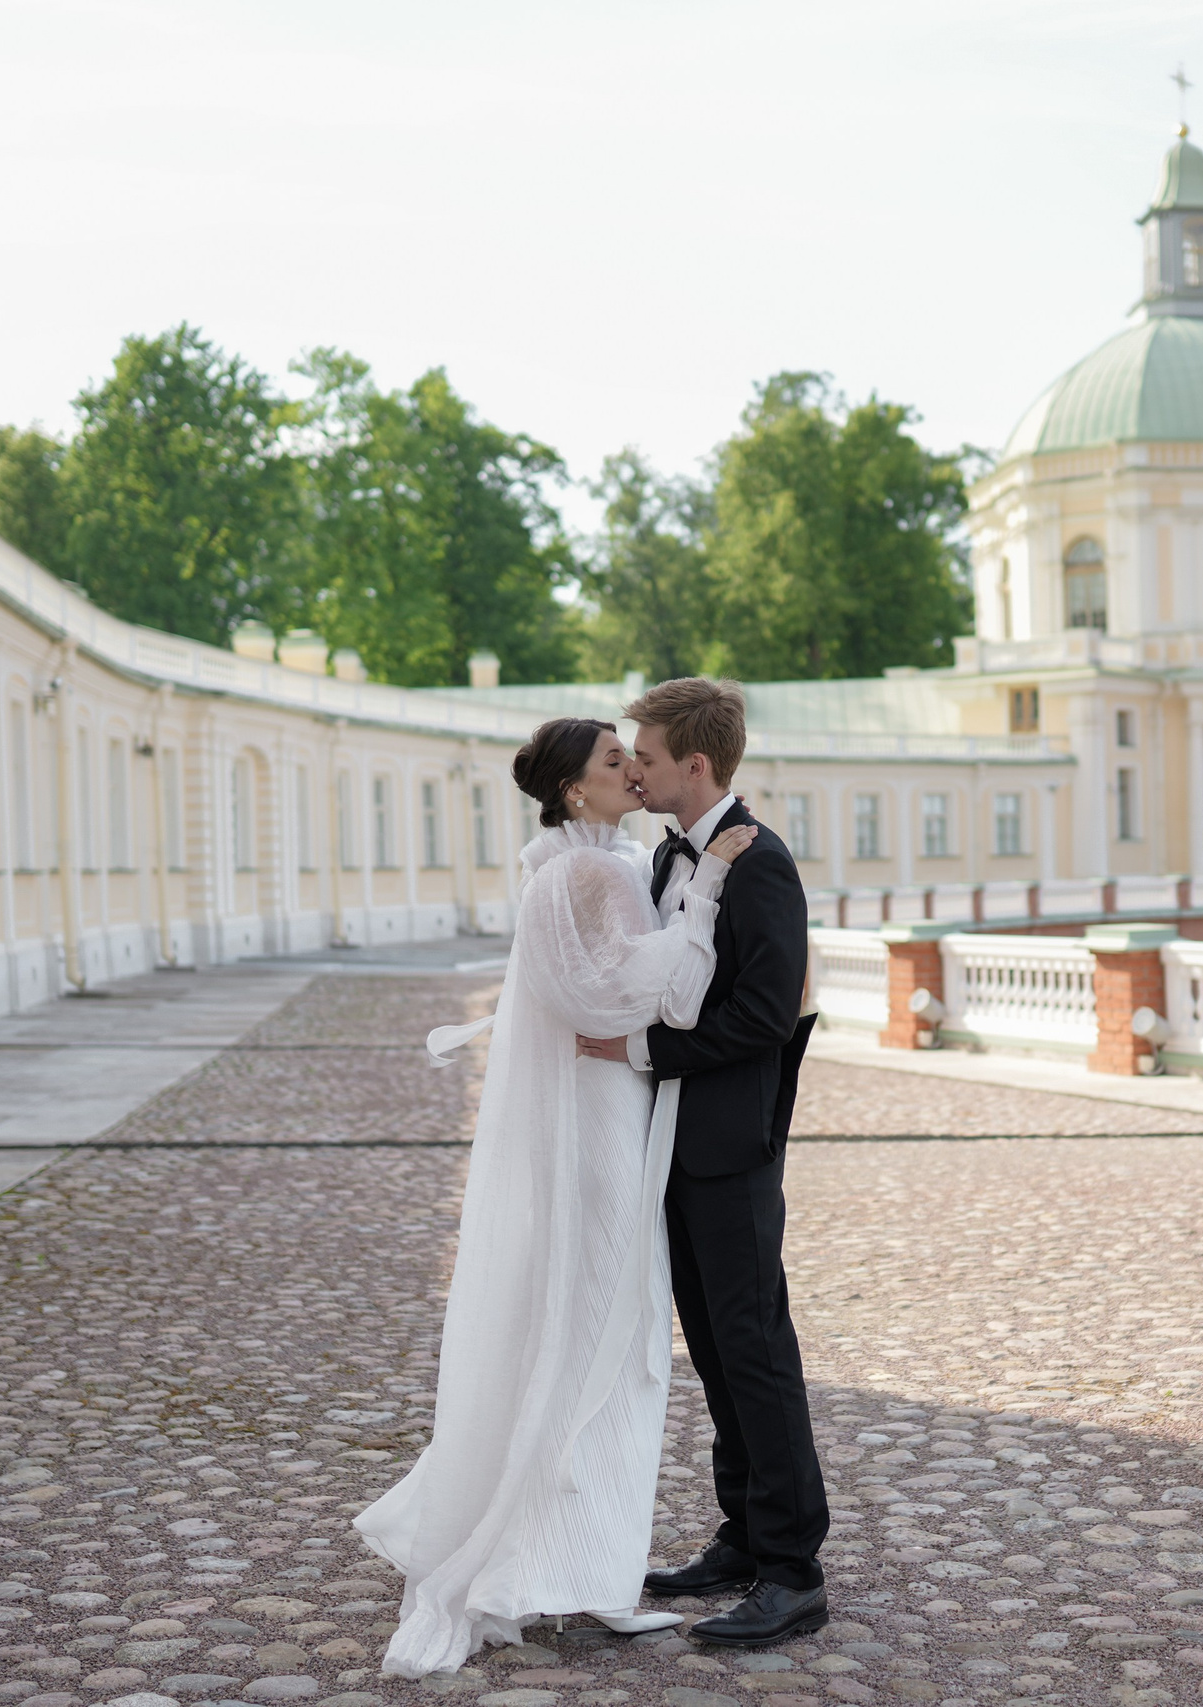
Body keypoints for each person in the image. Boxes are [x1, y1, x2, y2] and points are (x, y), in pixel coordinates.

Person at [356, 716, 759, 1678]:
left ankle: (576, 1554)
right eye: (614, 761)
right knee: (609, 1340)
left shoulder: (568, 867)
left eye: (635, 754)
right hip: (601, 1127)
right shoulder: (593, 873)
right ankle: (587, 1571)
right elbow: (646, 999)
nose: (633, 769)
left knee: (583, 1333)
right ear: (576, 790)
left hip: (589, 1116)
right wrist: (704, 892)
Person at [576, 677, 829, 1648]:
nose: (631, 765)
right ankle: (742, 1534)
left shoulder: (760, 864)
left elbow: (767, 1017)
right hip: (671, 1142)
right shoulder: (665, 857)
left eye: (644, 753)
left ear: (695, 763)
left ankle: (793, 1569)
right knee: (716, 1350)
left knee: (754, 1348)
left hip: (726, 1144)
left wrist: (640, 1055)